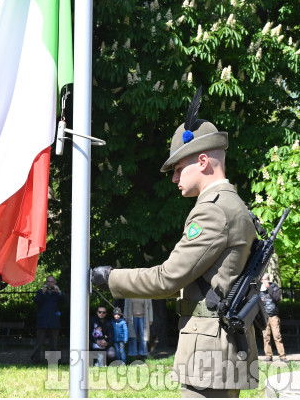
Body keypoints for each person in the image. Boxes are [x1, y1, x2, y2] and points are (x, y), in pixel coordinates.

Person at [92, 88, 259, 398]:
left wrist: (108, 277)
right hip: (222, 345)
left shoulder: (213, 210)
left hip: (209, 348)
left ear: (204, 161)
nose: (173, 178)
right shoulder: (235, 205)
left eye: (179, 169)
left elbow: (168, 278)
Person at [30, 275, 66, 364]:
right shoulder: (40, 292)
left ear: (55, 283)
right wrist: (42, 292)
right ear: (46, 283)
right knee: (39, 343)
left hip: (54, 322)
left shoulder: (57, 294)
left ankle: (53, 361)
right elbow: (36, 301)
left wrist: (59, 292)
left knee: (53, 344)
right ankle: (35, 360)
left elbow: (64, 302)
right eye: (48, 282)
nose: (50, 283)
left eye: (52, 282)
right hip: (42, 321)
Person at [260, 273, 287, 362]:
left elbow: (276, 298)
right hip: (264, 315)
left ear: (267, 279)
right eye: (262, 279)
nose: (263, 281)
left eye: (264, 279)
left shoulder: (274, 287)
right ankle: (268, 355)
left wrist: (268, 287)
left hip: (273, 315)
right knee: (266, 337)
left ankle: (282, 356)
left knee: (277, 335)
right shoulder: (258, 288)